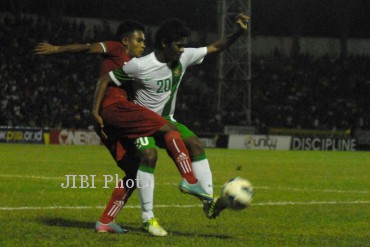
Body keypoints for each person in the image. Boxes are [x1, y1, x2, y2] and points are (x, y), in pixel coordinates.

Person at [34, 20, 212, 237]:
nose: (143, 44)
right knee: (168, 128)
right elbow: (87, 49)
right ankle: (189, 181)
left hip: (115, 121)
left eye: (145, 40)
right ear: (126, 40)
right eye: (139, 40)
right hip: (116, 110)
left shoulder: (136, 64)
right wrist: (56, 49)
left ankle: (105, 221)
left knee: (134, 170)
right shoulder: (116, 48)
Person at [95, 13, 250, 220]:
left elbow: (215, 48)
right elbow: (107, 79)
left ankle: (208, 201)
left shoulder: (183, 57)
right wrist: (99, 111)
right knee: (147, 159)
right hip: (142, 123)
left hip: (166, 119)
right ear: (164, 43)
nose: (183, 49)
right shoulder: (140, 65)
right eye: (178, 45)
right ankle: (147, 217)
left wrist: (238, 33)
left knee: (195, 144)